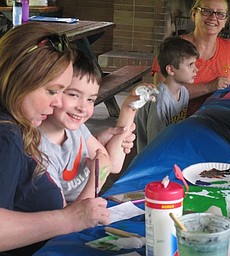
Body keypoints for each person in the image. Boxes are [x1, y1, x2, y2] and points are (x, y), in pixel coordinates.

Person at [0, 23, 110, 254]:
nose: (58, 102)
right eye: (52, 91)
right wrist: (68, 219)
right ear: (22, 78)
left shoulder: (19, 126)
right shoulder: (6, 135)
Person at [39, 49, 138, 204]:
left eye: (91, 100)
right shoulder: (41, 151)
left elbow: (112, 164)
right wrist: (98, 177)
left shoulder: (76, 129)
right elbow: (66, 219)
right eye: (73, 95)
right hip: (71, 218)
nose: (83, 108)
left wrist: (128, 110)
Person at [135, 36, 199, 152]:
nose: (196, 69)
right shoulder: (160, 100)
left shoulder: (184, 92)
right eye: (190, 65)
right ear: (171, 70)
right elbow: (154, 143)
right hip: (152, 157)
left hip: (170, 146)